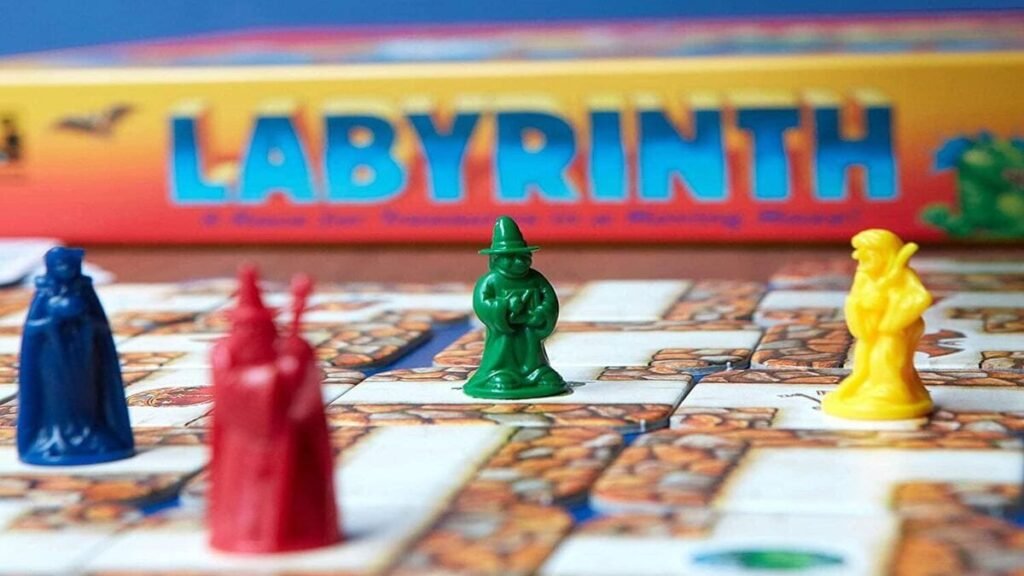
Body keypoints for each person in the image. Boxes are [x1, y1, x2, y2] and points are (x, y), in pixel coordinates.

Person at [209, 267, 339, 553]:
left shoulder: (290, 349)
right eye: (244, 326)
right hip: (244, 445)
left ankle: (299, 531)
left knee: (294, 493)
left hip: (289, 442)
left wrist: (297, 363)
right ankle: (250, 532)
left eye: (257, 326)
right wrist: (275, 376)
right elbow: (231, 388)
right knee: (247, 496)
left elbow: (305, 400)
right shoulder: (225, 352)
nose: (251, 332)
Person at [18, 247, 134, 465]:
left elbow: (101, 328)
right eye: (61, 265)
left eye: (70, 265)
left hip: (84, 357)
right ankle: (57, 435)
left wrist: (85, 321)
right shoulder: (45, 292)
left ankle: (89, 432)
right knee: (57, 396)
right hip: (53, 359)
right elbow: (32, 329)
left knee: (88, 393)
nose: (66, 270)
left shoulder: (84, 290)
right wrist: (53, 321)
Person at [822, 229, 934, 420]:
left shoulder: (902, 276)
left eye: (866, 251)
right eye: (858, 250)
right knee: (863, 360)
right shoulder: (864, 276)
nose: (857, 256)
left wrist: (891, 313)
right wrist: (864, 304)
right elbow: (855, 300)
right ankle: (867, 387)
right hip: (872, 329)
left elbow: (919, 298)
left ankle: (890, 392)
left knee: (886, 358)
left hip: (894, 331)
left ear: (885, 254)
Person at [464, 216, 568, 399]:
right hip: (504, 334)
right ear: (496, 259)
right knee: (503, 352)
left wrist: (541, 313)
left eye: (523, 256)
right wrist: (504, 306)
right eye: (511, 257)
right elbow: (482, 304)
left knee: (533, 355)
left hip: (530, 333)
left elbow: (549, 300)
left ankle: (537, 372)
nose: (519, 262)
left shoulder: (536, 279)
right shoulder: (490, 281)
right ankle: (499, 372)